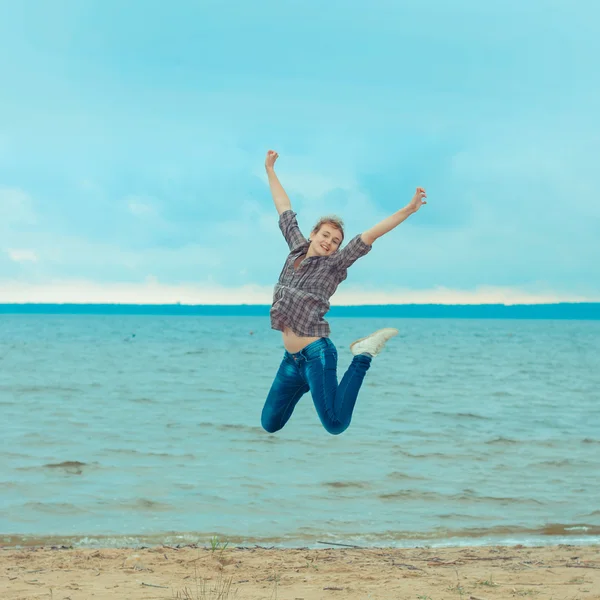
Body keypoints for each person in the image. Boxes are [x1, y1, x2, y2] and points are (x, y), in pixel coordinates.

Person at [261, 150, 427, 435]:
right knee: (270, 424)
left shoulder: (333, 265)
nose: (329, 242)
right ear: (313, 234)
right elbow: (283, 207)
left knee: (336, 424)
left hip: (317, 355)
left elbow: (371, 234)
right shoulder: (296, 249)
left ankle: (363, 355)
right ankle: (308, 385)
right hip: (292, 360)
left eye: (335, 241)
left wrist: (408, 210)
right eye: (325, 235)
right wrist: (270, 169)